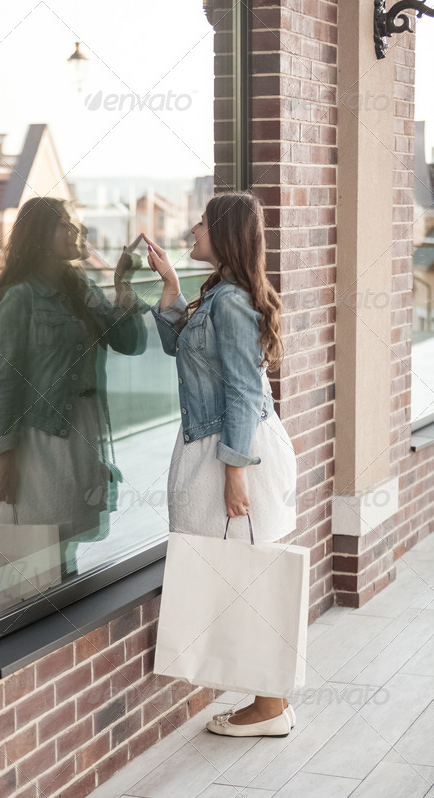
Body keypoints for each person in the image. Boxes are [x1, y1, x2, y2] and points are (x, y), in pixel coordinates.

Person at [145, 190, 298, 737]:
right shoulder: (221, 296)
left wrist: (234, 472)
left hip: (232, 451)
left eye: (203, 223)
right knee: (242, 575)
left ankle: (270, 706)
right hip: (223, 447)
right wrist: (171, 290)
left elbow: (239, 390)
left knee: (247, 577)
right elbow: (180, 347)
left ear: (225, 233)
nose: (192, 229)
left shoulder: (231, 303)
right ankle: (270, 699)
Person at [0, 196, 147, 578]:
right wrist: (5, 457)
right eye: (66, 225)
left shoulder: (80, 287)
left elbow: (129, 342)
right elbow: (5, 382)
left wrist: (122, 284)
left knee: (65, 538)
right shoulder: (20, 297)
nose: (77, 231)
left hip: (82, 428)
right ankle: (43, 619)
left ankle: (58, 610)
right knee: (42, 543)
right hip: (43, 435)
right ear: (40, 236)